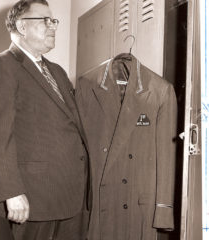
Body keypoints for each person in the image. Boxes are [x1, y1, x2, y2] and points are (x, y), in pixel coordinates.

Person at [0, 0, 88, 239]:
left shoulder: (57, 71)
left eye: (53, 21)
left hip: (72, 197)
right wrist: (11, 192)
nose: (53, 27)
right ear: (21, 26)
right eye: (44, 20)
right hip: (34, 199)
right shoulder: (1, 65)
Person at [76, 53, 177, 240]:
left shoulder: (160, 90)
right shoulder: (86, 85)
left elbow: (166, 156)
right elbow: (80, 150)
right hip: (100, 199)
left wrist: (163, 209)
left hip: (138, 202)